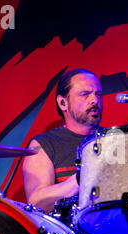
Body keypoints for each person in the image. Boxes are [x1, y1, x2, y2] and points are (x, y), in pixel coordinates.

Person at [22, 68, 103, 212]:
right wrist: (81, 178)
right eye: (85, 94)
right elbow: (37, 202)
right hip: (68, 233)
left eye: (98, 94)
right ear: (62, 103)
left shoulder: (115, 140)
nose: (94, 100)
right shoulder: (42, 145)